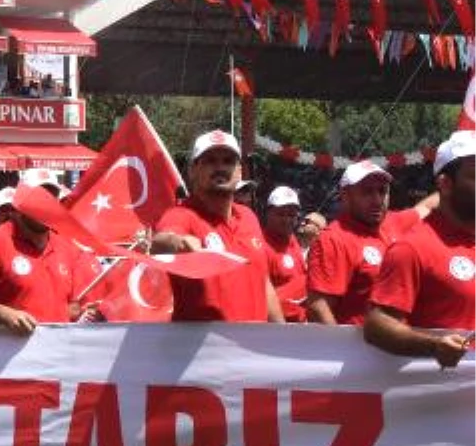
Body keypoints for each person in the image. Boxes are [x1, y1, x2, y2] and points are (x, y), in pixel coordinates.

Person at [365, 132, 476, 366]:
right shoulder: (412, 248)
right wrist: (434, 346)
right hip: (444, 395)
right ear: (445, 184)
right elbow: (377, 325)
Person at [151, 130, 282, 322]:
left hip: (253, 347)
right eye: (210, 161)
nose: (220, 167)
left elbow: (263, 282)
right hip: (205, 349)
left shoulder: (249, 217)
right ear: (193, 170)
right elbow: (160, 243)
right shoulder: (182, 215)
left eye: (228, 161)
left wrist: (281, 334)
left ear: (239, 171)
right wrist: (179, 243)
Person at [0, 185, 104, 333]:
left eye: (51, 199)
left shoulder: (66, 248)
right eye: (39, 198)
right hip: (5, 354)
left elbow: (66, 308)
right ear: (20, 203)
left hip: (55, 352)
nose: (45, 206)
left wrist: (83, 312)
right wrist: (3, 314)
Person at [306, 161, 433, 326]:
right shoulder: (333, 239)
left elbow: (428, 207)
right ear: (345, 195)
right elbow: (319, 308)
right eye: (367, 192)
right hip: (359, 348)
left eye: (382, 191)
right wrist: (341, 350)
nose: (377, 199)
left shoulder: (394, 222)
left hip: (400, 345)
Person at [263, 186, 307, 322]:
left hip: (300, 322)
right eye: (281, 214)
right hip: (277, 326)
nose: (287, 220)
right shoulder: (261, 246)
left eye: (291, 215)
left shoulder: (293, 241)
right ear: (268, 213)